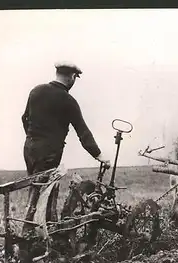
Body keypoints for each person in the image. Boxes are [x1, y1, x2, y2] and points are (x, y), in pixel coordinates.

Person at [21, 62, 111, 239]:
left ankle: (40, 230)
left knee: (36, 189)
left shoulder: (36, 91)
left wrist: (34, 137)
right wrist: (99, 155)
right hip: (50, 153)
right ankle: (34, 234)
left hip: (30, 148)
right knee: (45, 192)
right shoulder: (68, 101)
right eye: (75, 78)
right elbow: (83, 132)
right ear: (72, 77)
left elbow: (24, 118)